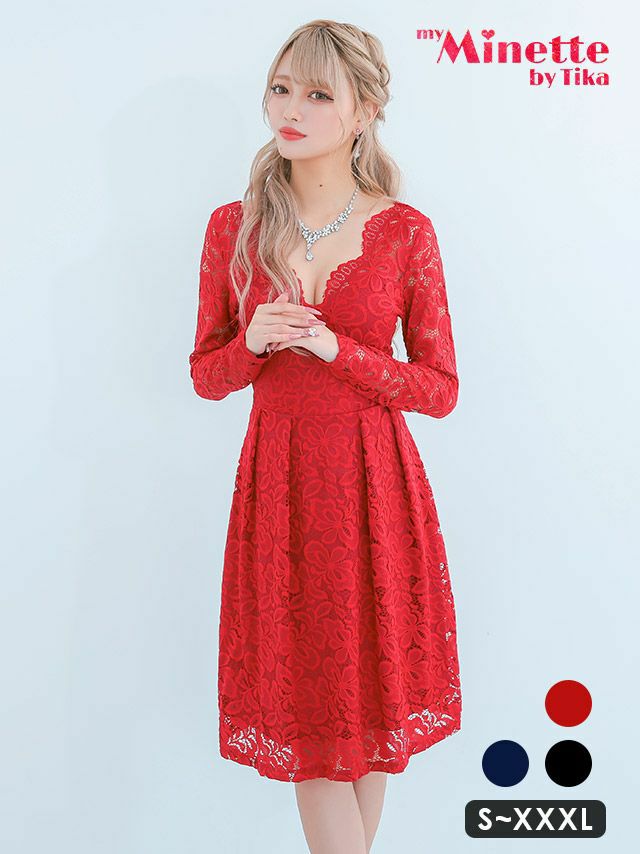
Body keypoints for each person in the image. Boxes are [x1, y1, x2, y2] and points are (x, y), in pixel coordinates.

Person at [189, 19, 462, 854]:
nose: (291, 109)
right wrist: (253, 344)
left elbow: (441, 390)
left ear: (364, 112)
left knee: (369, 707)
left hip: (377, 490)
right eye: (281, 89)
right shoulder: (232, 227)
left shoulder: (406, 232)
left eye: (316, 94)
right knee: (311, 713)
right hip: (280, 492)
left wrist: (341, 351)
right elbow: (207, 376)